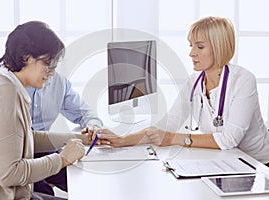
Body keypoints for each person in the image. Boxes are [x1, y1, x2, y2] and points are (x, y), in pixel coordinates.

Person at [98, 16, 269, 165]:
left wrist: (173, 138)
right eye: (191, 46)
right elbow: (167, 124)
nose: (191, 53)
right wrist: (122, 140)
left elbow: (228, 139)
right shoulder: (194, 82)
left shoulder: (243, 80)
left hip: (256, 164)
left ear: (219, 47)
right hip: (227, 160)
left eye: (200, 47)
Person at [0, 21, 87, 200]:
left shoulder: (4, 83)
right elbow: (9, 173)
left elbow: (26, 138)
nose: (53, 73)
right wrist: (62, 159)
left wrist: (79, 138)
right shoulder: (5, 94)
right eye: (49, 64)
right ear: (26, 58)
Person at [0, 69, 102, 196]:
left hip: (40, 146)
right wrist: (62, 159)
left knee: (83, 178)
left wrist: (91, 131)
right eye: (47, 63)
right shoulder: (0, 85)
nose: (51, 71)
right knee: (42, 190)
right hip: (5, 156)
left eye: (53, 64)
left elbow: (83, 113)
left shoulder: (58, 83)